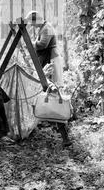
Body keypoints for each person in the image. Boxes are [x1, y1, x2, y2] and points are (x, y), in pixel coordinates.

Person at [25, 11, 72, 147]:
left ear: (36, 20)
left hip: (52, 61)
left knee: (54, 92)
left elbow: (42, 45)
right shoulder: (43, 28)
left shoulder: (47, 28)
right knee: (51, 92)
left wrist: (31, 43)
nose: (33, 26)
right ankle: (52, 119)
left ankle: (63, 130)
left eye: (33, 23)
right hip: (48, 61)